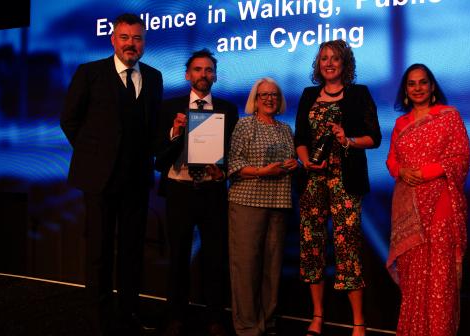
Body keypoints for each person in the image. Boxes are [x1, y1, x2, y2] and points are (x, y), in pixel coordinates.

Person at [60, 13, 163, 335]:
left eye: (137, 38)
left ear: (143, 42)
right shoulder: (89, 73)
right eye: (125, 37)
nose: (131, 44)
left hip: (136, 181)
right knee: (99, 254)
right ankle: (98, 318)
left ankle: (128, 313)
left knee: (132, 253)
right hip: (100, 180)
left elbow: (149, 128)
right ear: (113, 39)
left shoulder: (154, 76)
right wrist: (94, 156)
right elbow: (69, 120)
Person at [294, 39, 381, 336]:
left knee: (348, 249)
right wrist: (307, 162)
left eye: (335, 58)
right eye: (323, 59)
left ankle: (358, 322)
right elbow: (300, 139)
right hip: (313, 181)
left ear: (345, 64)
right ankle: (317, 317)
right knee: (312, 248)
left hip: (345, 181)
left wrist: (348, 140)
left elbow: (374, 137)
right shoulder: (308, 95)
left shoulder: (359, 94)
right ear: (318, 64)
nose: (329, 63)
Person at [154, 49, 238, 336]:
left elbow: (233, 153)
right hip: (180, 191)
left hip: (213, 192)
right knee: (178, 256)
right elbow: (159, 158)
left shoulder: (228, 109)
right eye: (198, 69)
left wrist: (223, 170)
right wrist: (175, 133)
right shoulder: (169, 108)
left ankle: (215, 317)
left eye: (208, 70)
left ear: (214, 75)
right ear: (187, 75)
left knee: (215, 257)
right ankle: (176, 316)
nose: (204, 74)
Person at [385, 63, 470, 336]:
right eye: (412, 84)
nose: (418, 88)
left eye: (423, 82)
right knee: (413, 280)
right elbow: (391, 160)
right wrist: (402, 171)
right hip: (408, 209)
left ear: (432, 87)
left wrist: (425, 172)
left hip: (440, 206)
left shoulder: (448, 116)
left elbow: (460, 158)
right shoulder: (401, 123)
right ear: (406, 91)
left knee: (439, 279)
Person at [227, 78, 298, 336]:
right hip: (246, 202)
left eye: (274, 95)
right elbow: (233, 165)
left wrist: (293, 164)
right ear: (255, 100)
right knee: (246, 268)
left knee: (272, 269)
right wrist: (262, 171)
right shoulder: (244, 125)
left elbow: (291, 160)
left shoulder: (285, 129)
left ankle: (267, 324)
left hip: (278, 204)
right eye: (264, 95)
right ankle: (247, 327)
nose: (269, 99)